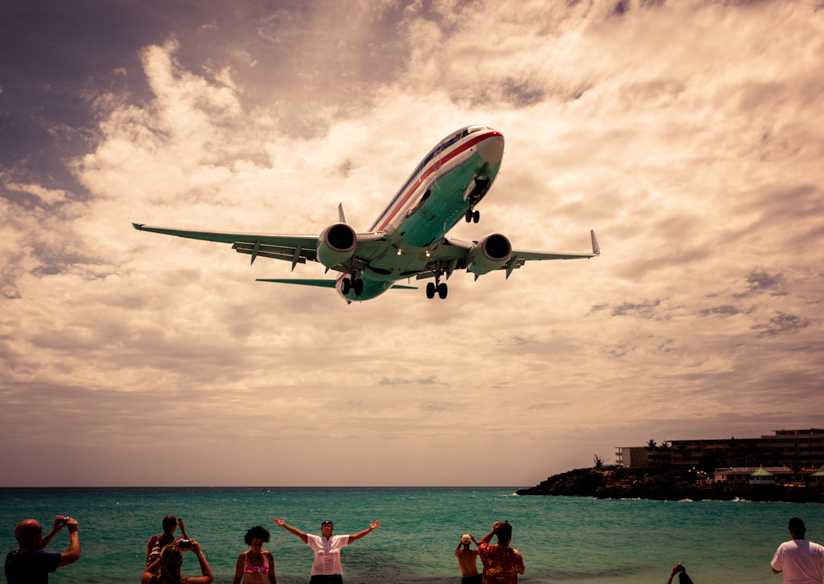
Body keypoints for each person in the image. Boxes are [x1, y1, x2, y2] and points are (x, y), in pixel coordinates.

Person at [274, 517, 381, 583]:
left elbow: (356, 536)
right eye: (324, 524)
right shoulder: (315, 540)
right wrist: (284, 526)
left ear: (332, 529)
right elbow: (299, 533)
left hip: (335, 577)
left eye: (329, 524)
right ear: (321, 529)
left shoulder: (338, 539)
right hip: (317, 577)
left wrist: (370, 529)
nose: (326, 525)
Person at [5, 515, 80, 584]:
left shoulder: (11, 556)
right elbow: (73, 555)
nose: (41, 532)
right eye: (40, 530)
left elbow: (35, 548)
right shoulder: (37, 560)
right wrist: (73, 532)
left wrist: (54, 532)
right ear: (34, 537)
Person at [771, 517, 824, 584]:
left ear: (790, 531)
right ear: (805, 530)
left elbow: (775, 570)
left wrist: (787, 565)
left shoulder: (784, 548)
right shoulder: (818, 548)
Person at [142, 540, 213, 584]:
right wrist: (199, 552)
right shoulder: (186, 582)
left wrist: (167, 552)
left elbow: (148, 571)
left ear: (162, 560)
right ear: (180, 563)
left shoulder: (149, 580)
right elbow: (209, 578)